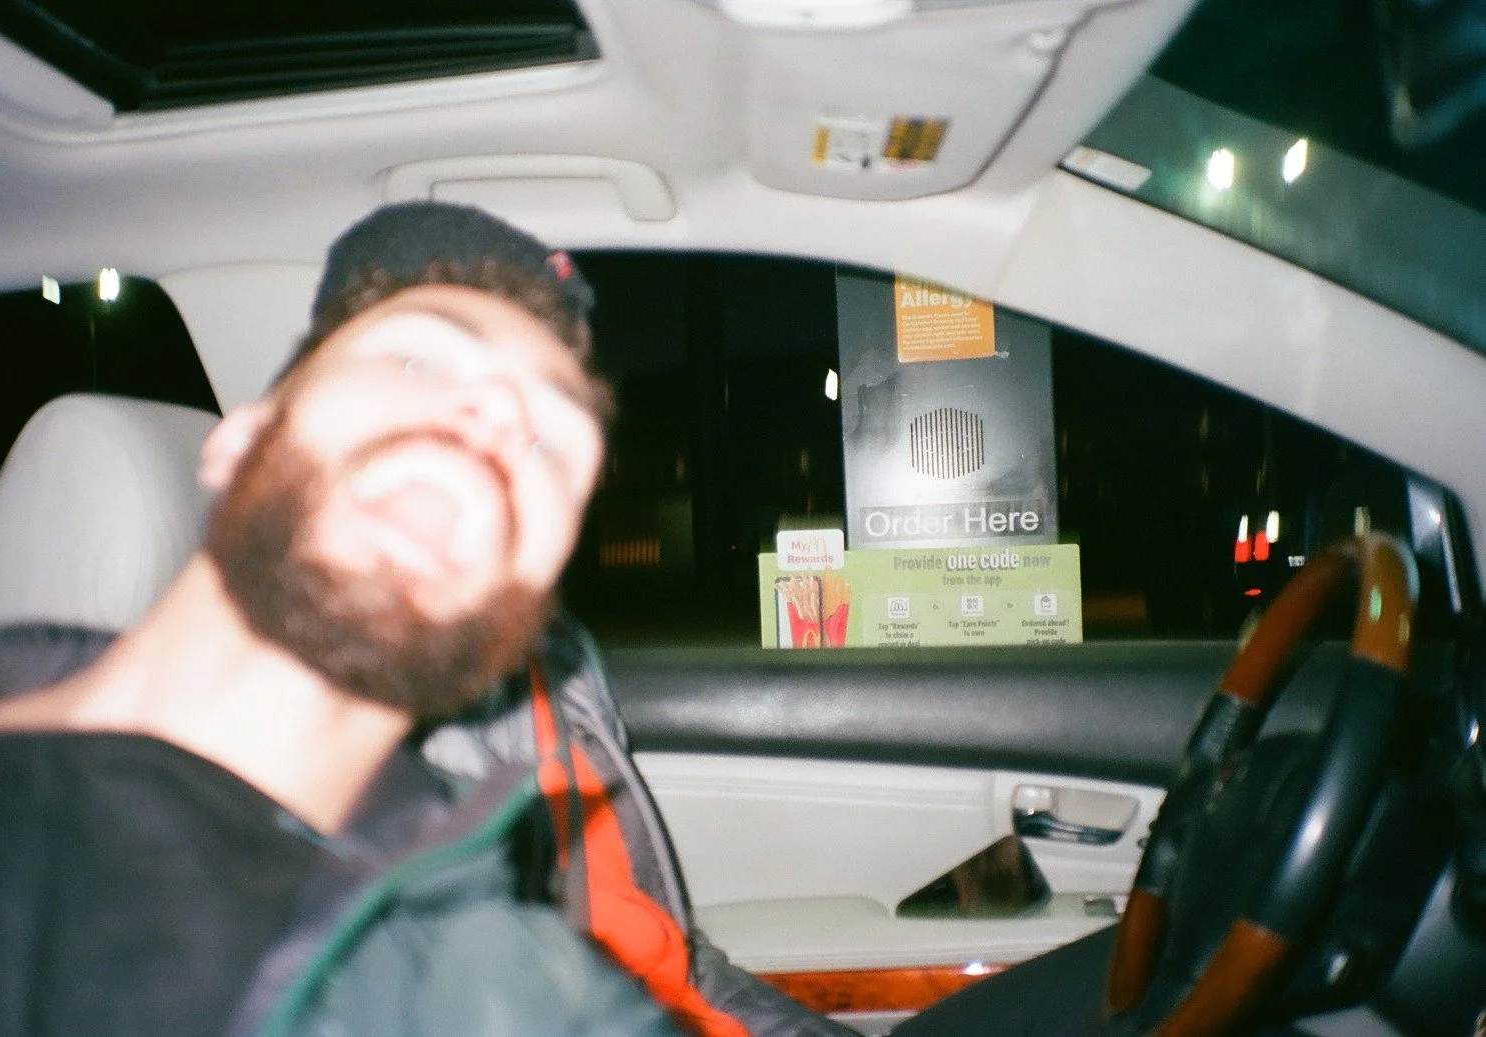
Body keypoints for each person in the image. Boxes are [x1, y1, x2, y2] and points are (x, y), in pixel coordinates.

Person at [298, 202, 1118, 1037]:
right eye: (432, 387)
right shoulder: (325, 756)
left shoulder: (546, 653)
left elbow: (674, 961)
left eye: (546, 418)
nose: (503, 458)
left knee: (1136, 977)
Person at [0, 206, 681, 1036]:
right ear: (240, 440)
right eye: (421, 359)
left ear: (536, 589)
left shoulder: (495, 990)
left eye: (553, 444)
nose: (500, 419)